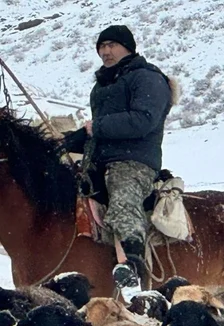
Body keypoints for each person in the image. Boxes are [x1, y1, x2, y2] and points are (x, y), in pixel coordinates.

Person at [62, 24, 174, 289]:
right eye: (101, 46)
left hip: (133, 161)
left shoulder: (147, 78)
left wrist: (97, 127)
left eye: (111, 45)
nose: (105, 51)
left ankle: (133, 266)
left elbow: (143, 120)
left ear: (128, 48)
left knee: (123, 200)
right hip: (100, 161)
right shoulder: (101, 86)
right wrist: (67, 141)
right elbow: (98, 130)